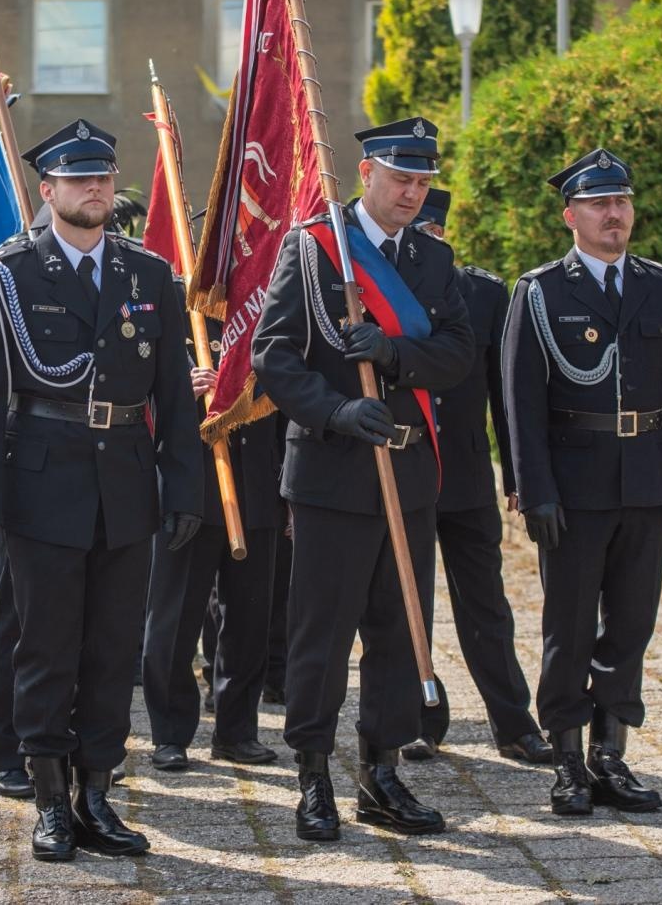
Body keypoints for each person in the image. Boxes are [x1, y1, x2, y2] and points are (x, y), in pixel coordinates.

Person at [0, 118, 203, 862]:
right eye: (78, 178)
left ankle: (98, 792)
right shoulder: (5, 274)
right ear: (48, 189)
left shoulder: (148, 274)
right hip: (41, 485)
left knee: (113, 648)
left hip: (125, 485)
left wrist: (183, 489)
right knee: (47, 647)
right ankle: (50, 800)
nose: (95, 188)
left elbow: (174, 398)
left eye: (103, 176)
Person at [252, 116, 475, 843]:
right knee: (321, 632)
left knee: (399, 629)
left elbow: (458, 353)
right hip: (333, 472)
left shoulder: (432, 259)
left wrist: (395, 355)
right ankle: (313, 774)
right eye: (401, 178)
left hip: (408, 471)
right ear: (367, 173)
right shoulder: (315, 248)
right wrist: (338, 411)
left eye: (423, 182)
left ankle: (382, 771)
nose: (413, 193)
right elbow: (274, 356)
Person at [502, 148, 662, 817]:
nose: (613, 214)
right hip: (573, 484)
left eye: (620, 202)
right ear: (571, 216)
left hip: (645, 477)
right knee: (568, 626)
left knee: (631, 623)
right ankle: (566, 758)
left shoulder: (659, 285)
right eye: (598, 204)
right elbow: (520, 402)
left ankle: (610, 754)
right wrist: (533, 489)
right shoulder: (540, 291)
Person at [403, 189, 550, 768]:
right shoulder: (378, 292)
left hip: (465, 475)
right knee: (408, 603)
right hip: (407, 468)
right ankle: (419, 720)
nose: (425, 244)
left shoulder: (484, 292)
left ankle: (513, 724)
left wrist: (517, 475)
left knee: (486, 603)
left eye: (432, 234)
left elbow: (505, 392)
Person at [144, 324, 284, 772]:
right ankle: (170, 733)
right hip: (191, 488)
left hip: (258, 484)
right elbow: (129, 383)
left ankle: (236, 732)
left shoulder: (268, 305)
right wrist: (179, 391)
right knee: (174, 619)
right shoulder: (172, 304)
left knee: (250, 619)